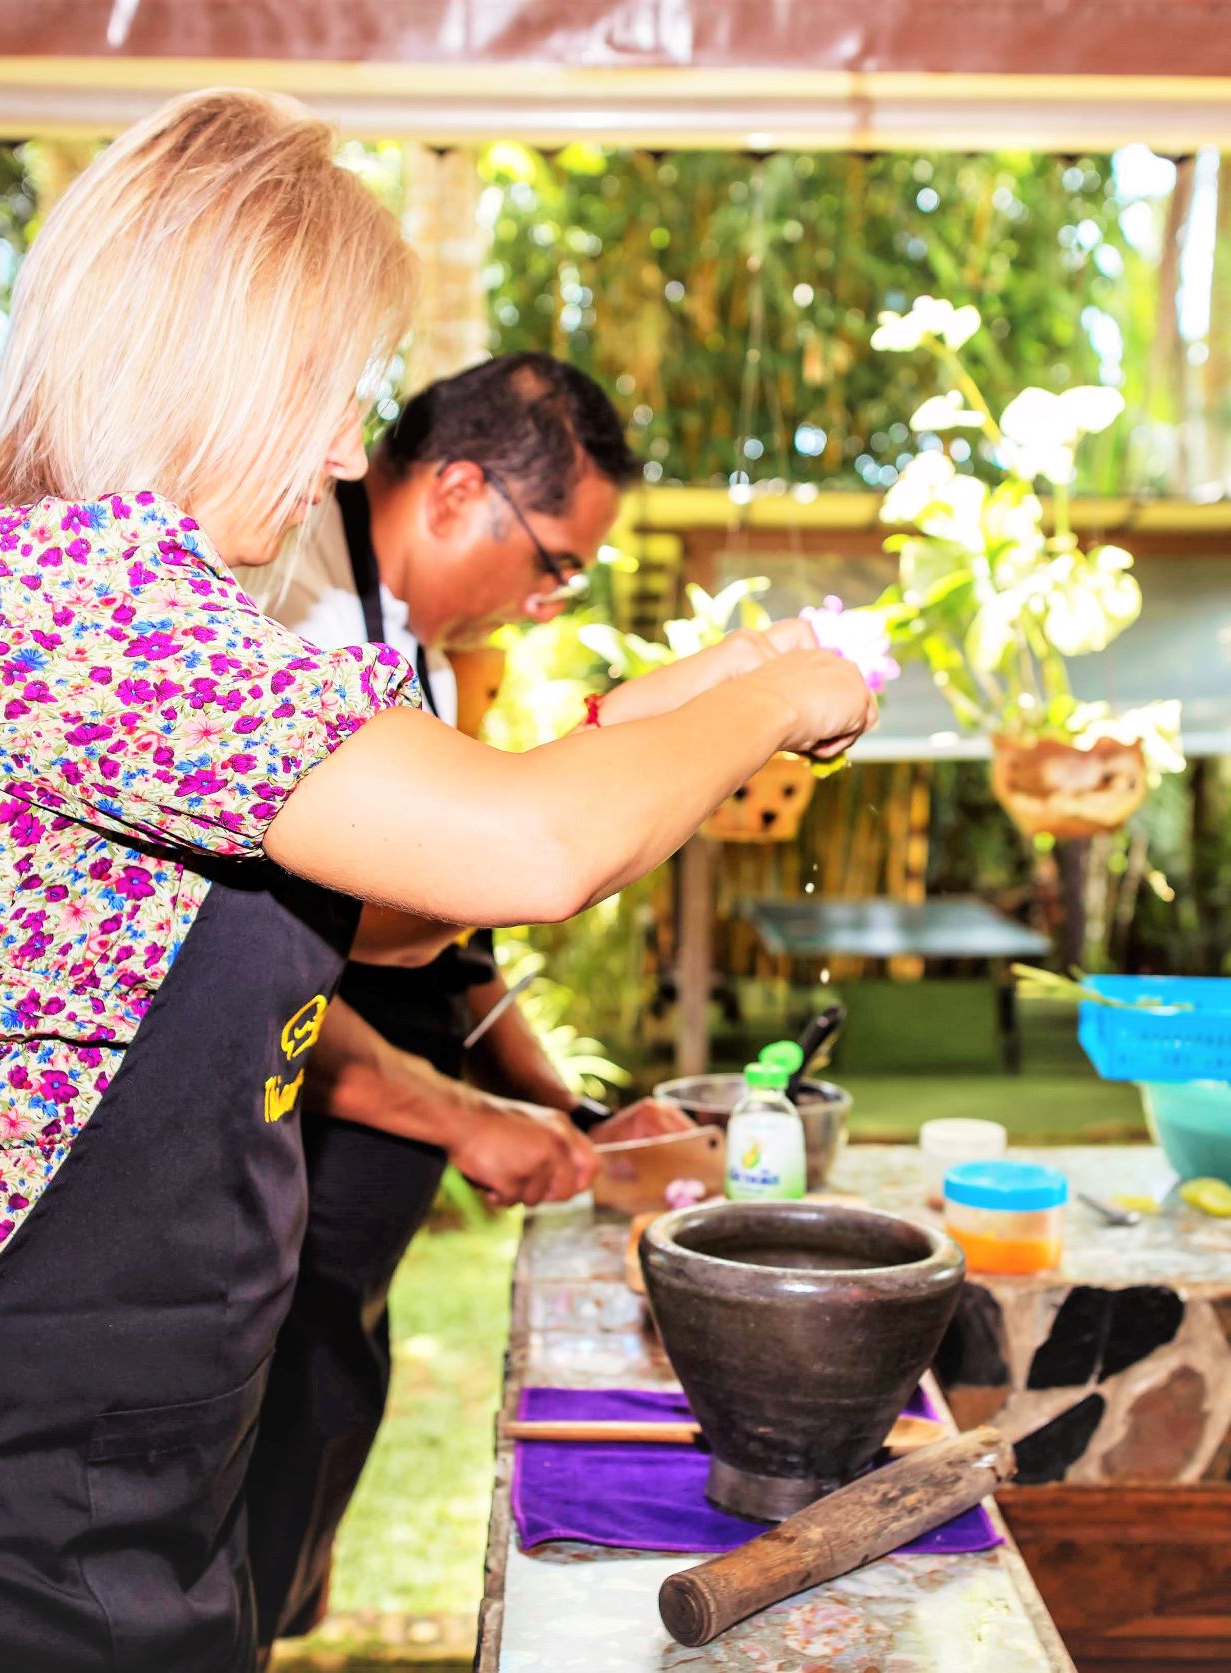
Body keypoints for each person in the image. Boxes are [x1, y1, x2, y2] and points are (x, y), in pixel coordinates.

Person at [0, 88, 874, 1673]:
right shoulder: (59, 594)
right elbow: (527, 849)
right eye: (318, 393)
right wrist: (787, 695)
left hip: (88, 1463)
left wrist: (619, 730)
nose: (330, 451)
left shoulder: (101, 605)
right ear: (196, 361)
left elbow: (402, 890)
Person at [244, 353, 754, 1650]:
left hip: (331, 1267)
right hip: (257, 1242)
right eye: (551, 564)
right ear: (458, 487)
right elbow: (264, 962)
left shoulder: (406, 650)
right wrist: (464, 1122)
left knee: (297, 1457)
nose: (539, 605)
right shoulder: (281, 612)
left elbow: (451, 944)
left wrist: (568, 1102)